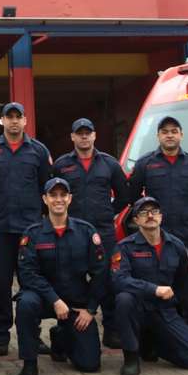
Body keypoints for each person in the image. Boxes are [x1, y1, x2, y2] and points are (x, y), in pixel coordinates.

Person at [128, 116, 188, 345]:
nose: (169, 135)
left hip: (187, 233)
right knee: (158, 280)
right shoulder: (146, 163)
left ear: (181, 135)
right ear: (158, 136)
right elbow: (134, 196)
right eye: (164, 131)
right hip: (158, 236)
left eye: (174, 131)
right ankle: (157, 328)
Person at [0, 102, 52, 355]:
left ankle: (32, 334)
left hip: (30, 229)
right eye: (9, 118)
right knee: (0, 284)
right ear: (2, 121)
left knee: (30, 283)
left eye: (18, 117)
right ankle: (0, 335)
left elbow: (46, 188)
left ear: (25, 120)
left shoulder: (38, 151)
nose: (14, 122)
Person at [14, 178, 105, 375]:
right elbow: (27, 273)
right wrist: (54, 300)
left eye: (63, 195)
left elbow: (100, 273)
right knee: (25, 303)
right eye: (53, 195)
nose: (58, 199)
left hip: (75, 303)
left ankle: (61, 337)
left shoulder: (86, 232)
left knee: (89, 365)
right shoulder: (33, 234)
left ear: (70, 198)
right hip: (44, 299)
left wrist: (90, 310)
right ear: (44, 199)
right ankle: (29, 363)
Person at [111, 197, 188, 375]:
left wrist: (174, 303)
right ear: (136, 220)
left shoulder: (176, 246)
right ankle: (131, 358)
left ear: (161, 217)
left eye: (154, 212)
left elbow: (183, 280)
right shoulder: (124, 247)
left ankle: (153, 342)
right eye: (143, 212)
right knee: (124, 299)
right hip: (137, 310)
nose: (150, 216)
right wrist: (153, 289)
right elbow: (119, 280)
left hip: (164, 311)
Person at [52, 117, 128, 348]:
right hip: (71, 231)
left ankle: (112, 329)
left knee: (105, 277)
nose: (84, 137)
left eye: (88, 133)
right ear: (72, 137)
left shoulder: (110, 164)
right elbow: (52, 195)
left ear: (94, 136)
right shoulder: (62, 165)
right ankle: (66, 328)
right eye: (80, 133)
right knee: (69, 276)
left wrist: (107, 213)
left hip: (103, 231)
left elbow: (124, 195)